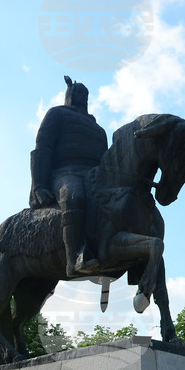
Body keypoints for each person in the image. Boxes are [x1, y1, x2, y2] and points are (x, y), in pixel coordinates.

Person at [29, 76, 109, 277]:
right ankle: (74, 259)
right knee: (74, 196)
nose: (81, 95)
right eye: (77, 92)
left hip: (94, 176)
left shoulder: (99, 130)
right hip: (66, 173)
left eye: (85, 93)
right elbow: (42, 148)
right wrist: (38, 185)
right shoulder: (57, 114)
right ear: (69, 95)